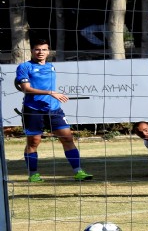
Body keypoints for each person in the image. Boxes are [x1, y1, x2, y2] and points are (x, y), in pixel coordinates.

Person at [15, 39, 94, 183]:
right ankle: (33, 174)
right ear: (32, 51)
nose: (41, 52)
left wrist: (52, 96)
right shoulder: (24, 67)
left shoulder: (51, 66)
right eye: (38, 49)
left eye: (44, 50)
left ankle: (78, 172)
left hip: (54, 109)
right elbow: (26, 89)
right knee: (34, 141)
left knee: (67, 138)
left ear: (48, 52)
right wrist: (50, 92)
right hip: (33, 110)